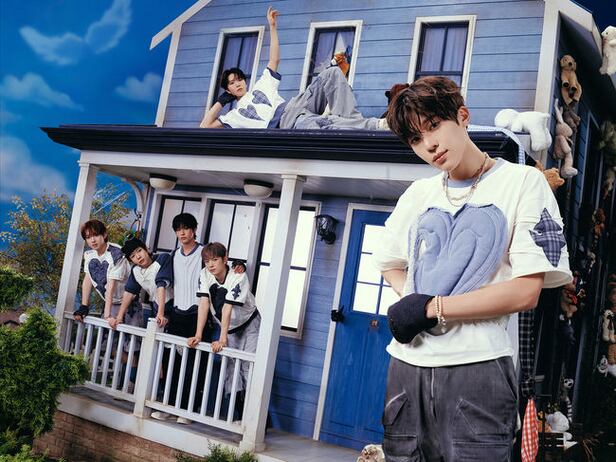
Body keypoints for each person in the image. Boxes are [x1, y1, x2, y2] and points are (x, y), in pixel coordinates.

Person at [372, 76, 572, 461]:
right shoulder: (419, 195)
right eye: (415, 139)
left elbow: (526, 291)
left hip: (477, 366)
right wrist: (410, 298)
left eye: (434, 126)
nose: (429, 145)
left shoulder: (523, 183)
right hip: (406, 365)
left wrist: (430, 308)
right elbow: (388, 262)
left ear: (462, 116)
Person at [200, 7, 388, 131]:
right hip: (287, 123)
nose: (237, 84)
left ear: (244, 80)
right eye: (232, 83)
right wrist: (221, 101)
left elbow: (274, 59)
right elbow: (204, 126)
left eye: (239, 79)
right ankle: (374, 126)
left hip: (295, 104)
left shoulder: (261, 84)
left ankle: (355, 123)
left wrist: (272, 27)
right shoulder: (233, 117)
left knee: (331, 72)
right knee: (323, 124)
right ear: (228, 90)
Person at [189, 242, 260, 419]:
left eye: (215, 260)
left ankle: (256, 418)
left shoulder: (238, 275)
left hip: (249, 324)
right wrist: (198, 334)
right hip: (228, 327)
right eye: (207, 261)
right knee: (231, 369)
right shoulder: (204, 274)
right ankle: (240, 416)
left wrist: (222, 339)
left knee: (248, 368)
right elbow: (204, 303)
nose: (211, 265)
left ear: (225, 259)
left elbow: (228, 307)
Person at [73, 219, 143, 330]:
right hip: (109, 303)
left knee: (129, 339)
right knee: (105, 339)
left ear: (104, 234)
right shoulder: (89, 255)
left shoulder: (117, 253)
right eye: (88, 237)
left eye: (96, 235)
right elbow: (88, 280)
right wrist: (84, 306)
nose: (93, 240)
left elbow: (111, 286)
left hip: (128, 304)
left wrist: (107, 315)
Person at [110, 238, 173, 331]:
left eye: (139, 251)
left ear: (146, 249)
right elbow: (129, 292)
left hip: (173, 306)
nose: (138, 256)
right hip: (156, 307)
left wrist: (161, 313)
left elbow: (161, 285)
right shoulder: (135, 270)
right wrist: (119, 317)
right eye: (133, 256)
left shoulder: (163, 258)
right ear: (131, 261)